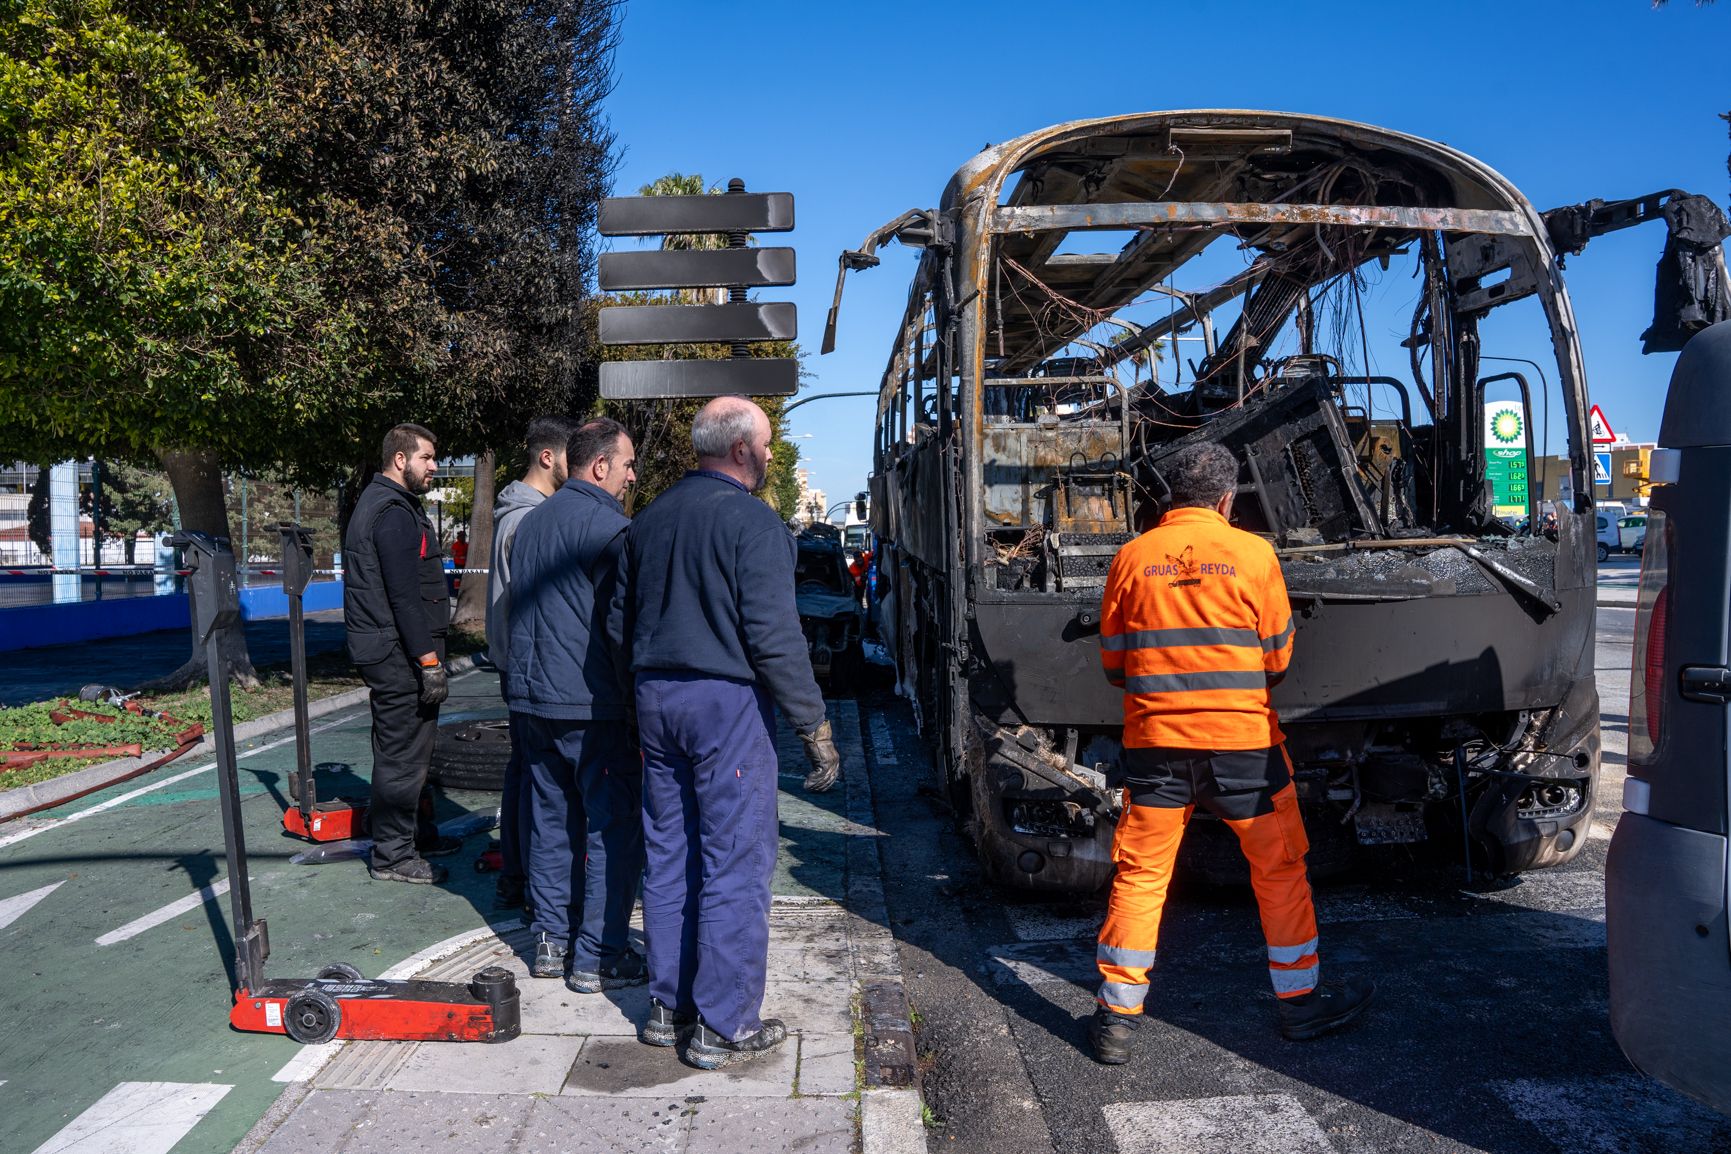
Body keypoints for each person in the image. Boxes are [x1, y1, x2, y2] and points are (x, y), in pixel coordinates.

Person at [1089, 441, 1373, 1063]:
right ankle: (1300, 1003)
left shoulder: (1131, 558)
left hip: (1156, 751)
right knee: (1279, 871)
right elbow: (1276, 658)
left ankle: (1116, 1020)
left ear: (1171, 497)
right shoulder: (1254, 554)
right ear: (1225, 499)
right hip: (1244, 751)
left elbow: (1114, 665)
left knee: (1142, 876)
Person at [610, 395, 842, 1070]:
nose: (769, 455)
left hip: (655, 696)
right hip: (725, 703)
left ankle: (668, 1007)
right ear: (741, 449)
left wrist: (638, 694)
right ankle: (724, 1023)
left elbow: (618, 621)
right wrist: (813, 726)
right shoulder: (754, 523)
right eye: (766, 445)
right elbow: (774, 636)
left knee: (670, 853)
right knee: (735, 860)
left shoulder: (648, 519)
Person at [506, 418, 642, 986]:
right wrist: (635, 702)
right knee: (611, 826)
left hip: (532, 697)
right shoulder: (611, 529)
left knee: (550, 821)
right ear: (600, 465)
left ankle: (550, 940)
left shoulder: (532, 523)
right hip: (589, 704)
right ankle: (600, 954)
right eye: (628, 465)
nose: (632, 477)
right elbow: (620, 626)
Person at [343, 423, 462, 884]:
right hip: (397, 654)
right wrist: (428, 661)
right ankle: (393, 856)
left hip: (391, 648)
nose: (434, 466)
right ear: (400, 459)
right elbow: (404, 597)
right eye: (427, 457)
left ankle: (411, 835)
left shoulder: (389, 504)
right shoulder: (391, 512)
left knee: (409, 748)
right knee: (402, 755)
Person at [486, 415, 581, 914]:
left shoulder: (517, 513)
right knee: (537, 780)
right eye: (572, 457)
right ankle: (524, 881)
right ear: (548, 457)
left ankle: (515, 875)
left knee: (524, 772)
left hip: (516, 662)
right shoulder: (529, 520)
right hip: (528, 665)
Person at [449, 529, 469, 594]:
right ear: (458, 537)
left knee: (464, 577)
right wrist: (459, 556)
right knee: (457, 578)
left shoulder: (466, 545)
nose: (463, 538)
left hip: (465, 564)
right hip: (458, 564)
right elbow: (453, 554)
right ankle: (456, 591)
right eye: (462, 536)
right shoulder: (456, 545)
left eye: (464, 536)